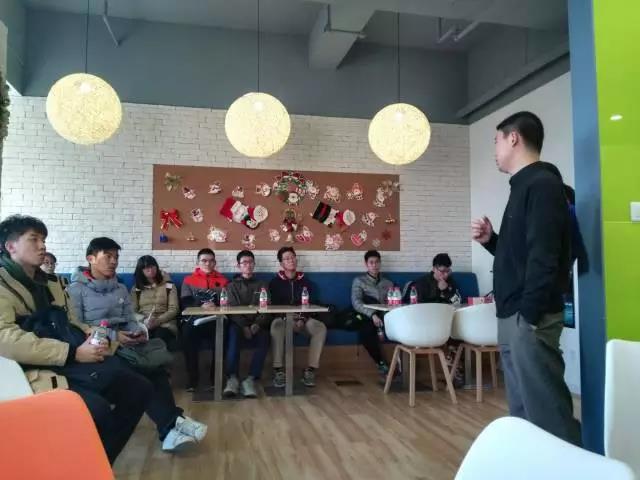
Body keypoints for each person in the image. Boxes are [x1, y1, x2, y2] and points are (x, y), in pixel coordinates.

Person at [0, 215, 153, 464]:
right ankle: (81, 466)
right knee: (96, 411)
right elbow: (5, 339)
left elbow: (73, 323)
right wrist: (72, 353)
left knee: (140, 387)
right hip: (27, 369)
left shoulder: (53, 283)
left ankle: (97, 465)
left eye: (43, 240)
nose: (42, 246)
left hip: (71, 359)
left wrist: (99, 338)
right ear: (10, 246)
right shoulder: (3, 285)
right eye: (34, 239)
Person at [471, 111, 581, 445]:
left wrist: (529, 316)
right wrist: (492, 240)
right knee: (522, 411)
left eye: (496, 140)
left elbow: (545, 256)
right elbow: (520, 255)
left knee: (547, 412)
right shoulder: (523, 186)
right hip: (513, 313)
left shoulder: (542, 185)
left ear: (513, 138)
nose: (494, 149)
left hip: (528, 315)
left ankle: (571, 466)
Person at [67, 237, 208, 452]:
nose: (113, 261)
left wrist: (139, 331)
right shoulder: (75, 290)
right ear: (91, 258)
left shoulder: (120, 288)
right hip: (98, 346)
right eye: (108, 256)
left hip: (126, 343)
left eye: (116, 257)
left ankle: (171, 427)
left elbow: (130, 318)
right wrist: (114, 336)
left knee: (155, 367)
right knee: (139, 375)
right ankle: (172, 424)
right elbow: (76, 326)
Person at [269, 247, 327, 388]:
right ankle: (278, 370)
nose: (291, 260)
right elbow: (273, 307)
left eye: (293, 257)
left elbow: (311, 304)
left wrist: (302, 319)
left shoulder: (306, 282)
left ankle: (310, 370)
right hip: (284, 320)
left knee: (320, 328)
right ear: (281, 263)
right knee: (276, 325)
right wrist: (286, 317)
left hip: (302, 320)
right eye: (287, 258)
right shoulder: (274, 283)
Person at [223, 250, 270, 398]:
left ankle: (251, 379)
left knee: (265, 337)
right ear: (238, 266)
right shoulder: (231, 286)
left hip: (258, 323)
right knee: (233, 334)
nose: (248, 265)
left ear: (254, 264)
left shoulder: (262, 284)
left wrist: (257, 324)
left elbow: (267, 308)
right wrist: (244, 326)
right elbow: (231, 309)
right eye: (244, 263)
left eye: (251, 262)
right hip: (238, 324)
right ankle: (232, 378)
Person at [180, 248, 229, 392]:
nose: (208, 263)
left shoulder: (223, 280)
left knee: (223, 333)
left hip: (215, 319)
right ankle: (193, 379)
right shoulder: (188, 280)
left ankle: (216, 378)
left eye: (211, 261)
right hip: (195, 320)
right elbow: (185, 301)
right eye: (204, 260)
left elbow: (227, 301)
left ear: (215, 263)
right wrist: (200, 305)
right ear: (198, 262)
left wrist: (216, 305)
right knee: (187, 334)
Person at [350, 250, 393, 374]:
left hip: (384, 314)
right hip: (366, 315)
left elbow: (392, 302)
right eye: (371, 262)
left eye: (377, 262)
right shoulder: (359, 281)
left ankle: (403, 363)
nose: (374, 265)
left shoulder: (388, 283)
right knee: (366, 329)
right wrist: (372, 314)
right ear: (366, 264)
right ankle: (381, 363)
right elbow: (356, 302)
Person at [131, 255, 179, 350]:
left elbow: (174, 309)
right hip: (143, 324)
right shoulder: (136, 288)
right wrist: (144, 320)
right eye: (146, 268)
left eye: (153, 266)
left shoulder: (169, 285)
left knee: (159, 338)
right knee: (138, 339)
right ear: (141, 271)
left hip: (165, 324)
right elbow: (132, 312)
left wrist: (157, 321)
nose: (151, 270)